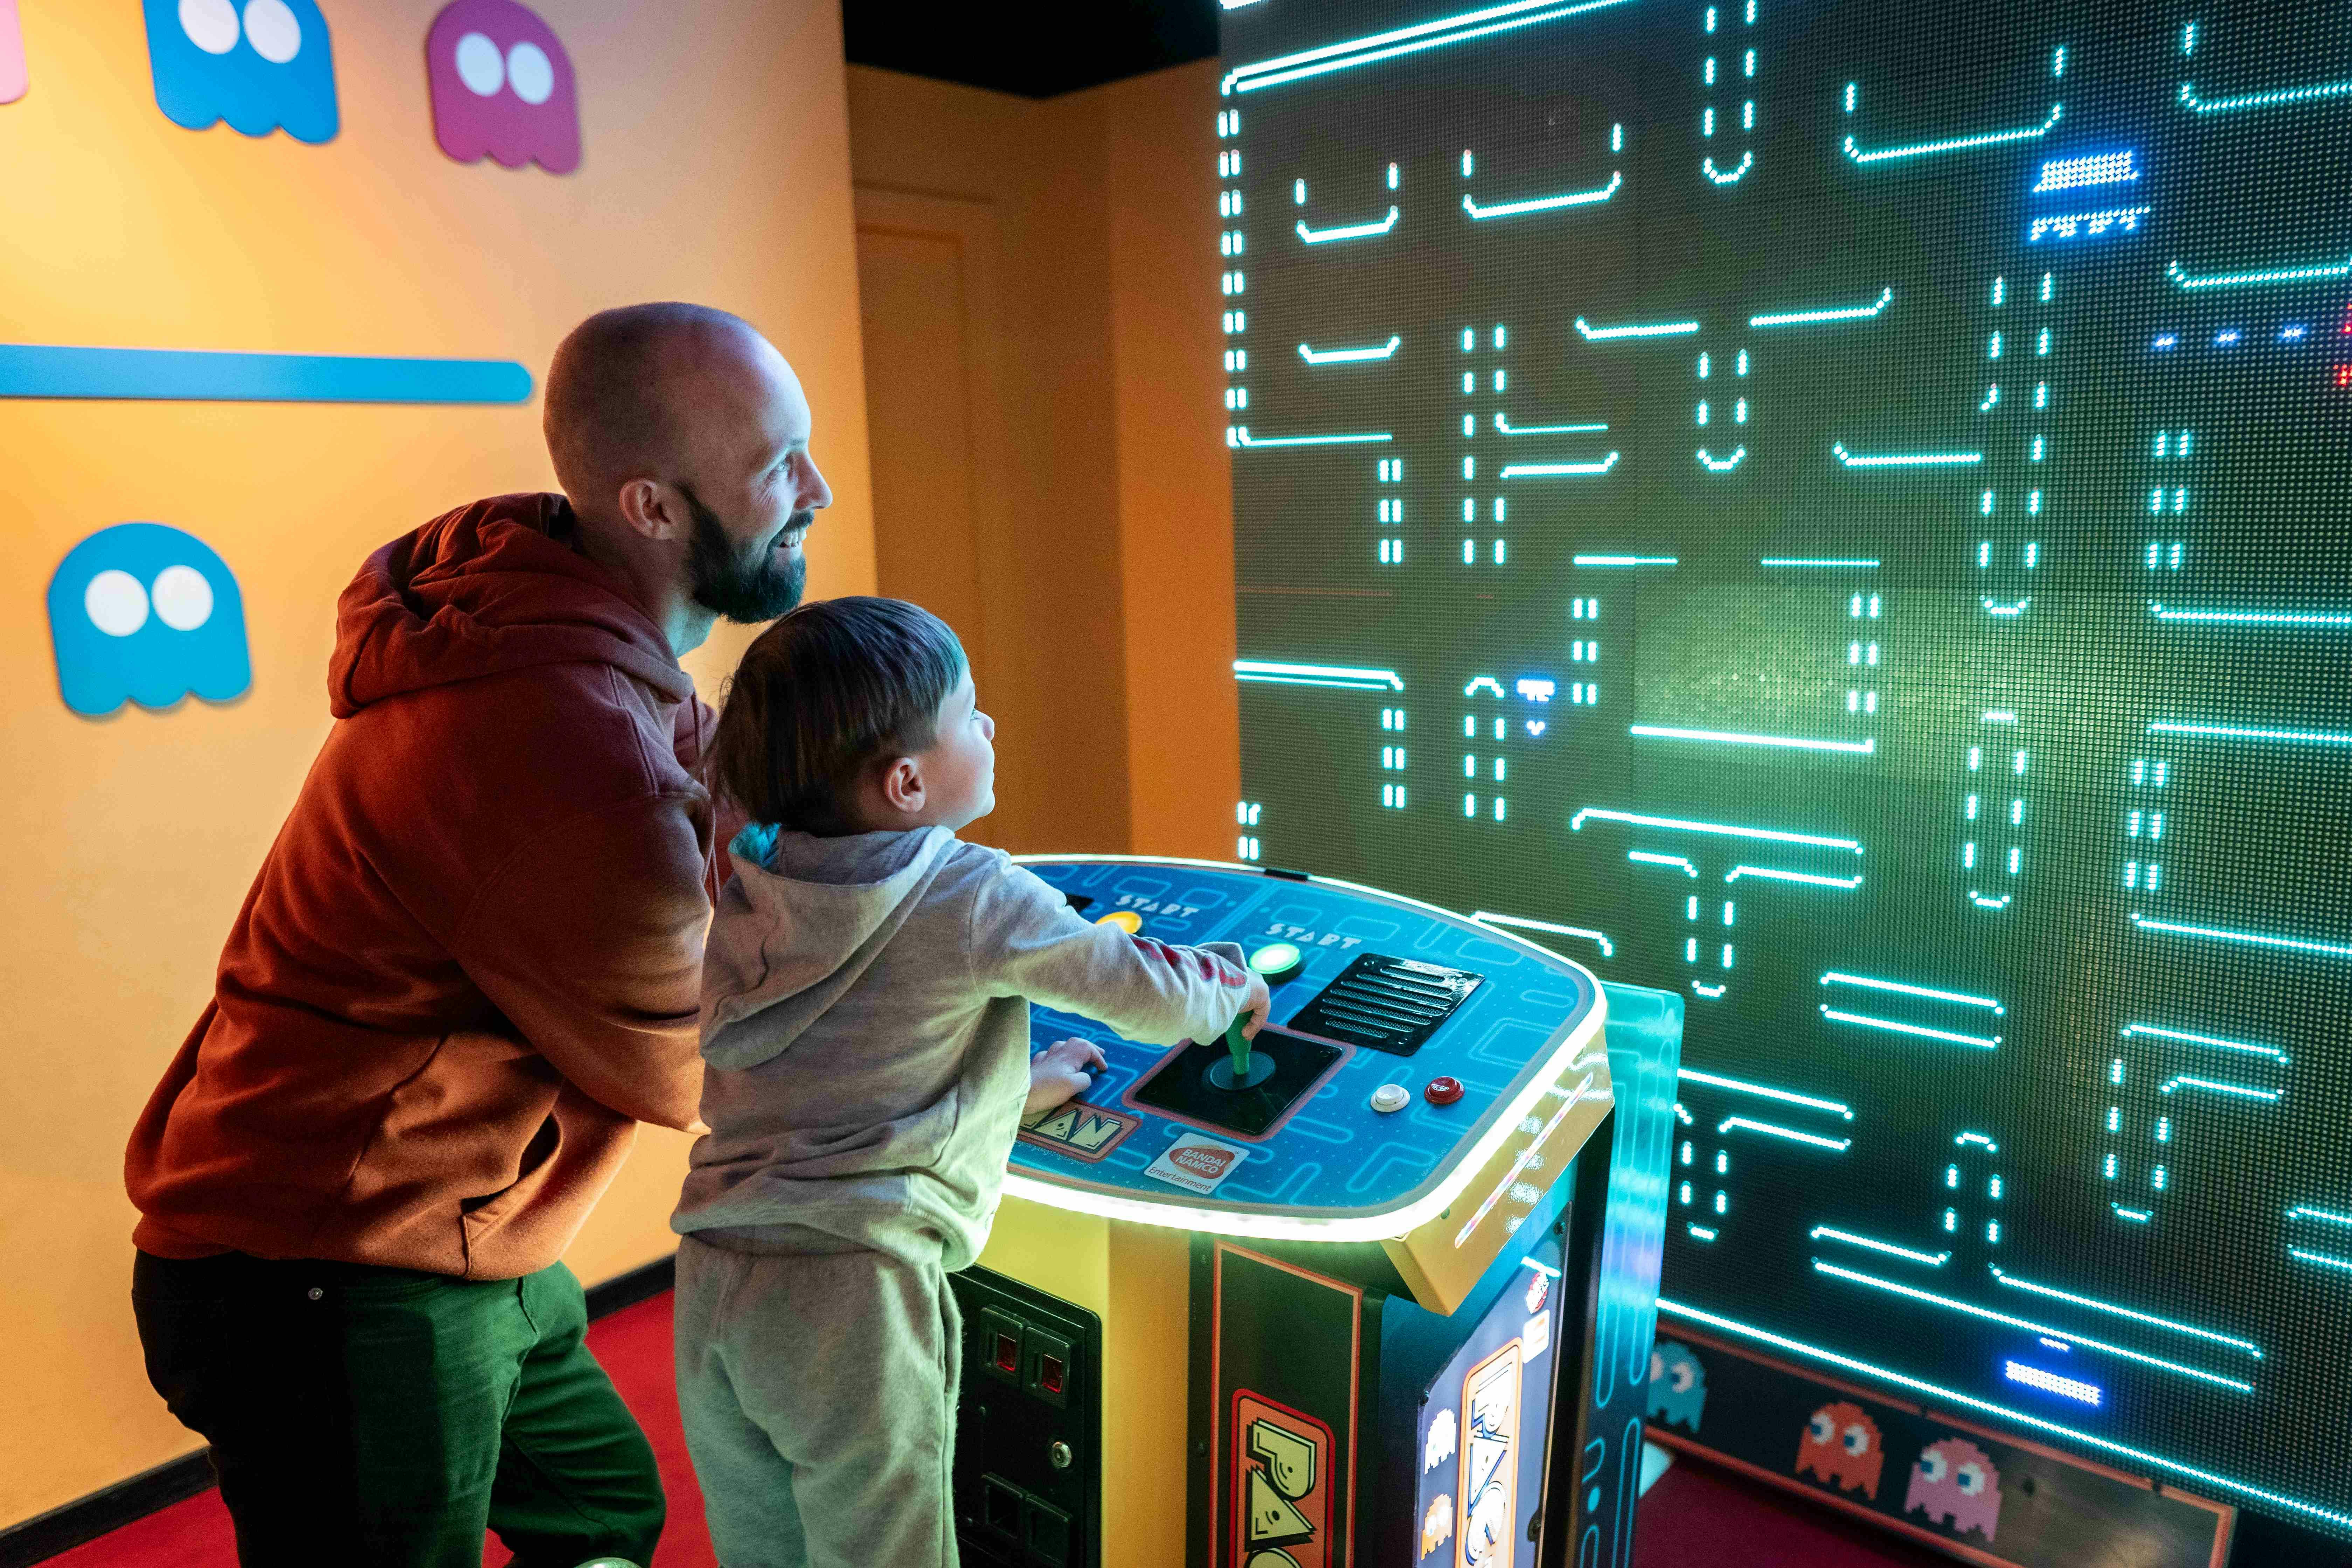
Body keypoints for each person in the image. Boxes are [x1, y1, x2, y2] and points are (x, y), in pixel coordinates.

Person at [122, 302, 833, 1566]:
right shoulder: (564, 747)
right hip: (326, 1271)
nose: (815, 491)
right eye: (779, 465)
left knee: (602, 1508)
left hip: (453, 1225)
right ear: (655, 510)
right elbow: (694, 1064)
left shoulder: (537, 600)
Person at [671, 597, 1267, 1566]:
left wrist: (1007, 1090)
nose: (989, 727)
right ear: (905, 783)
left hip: (713, 1288)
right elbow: (1141, 993)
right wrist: (1231, 981)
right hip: (852, 1299)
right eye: (969, 712)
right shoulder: (971, 891)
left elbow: (848, 1056)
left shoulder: (758, 887)